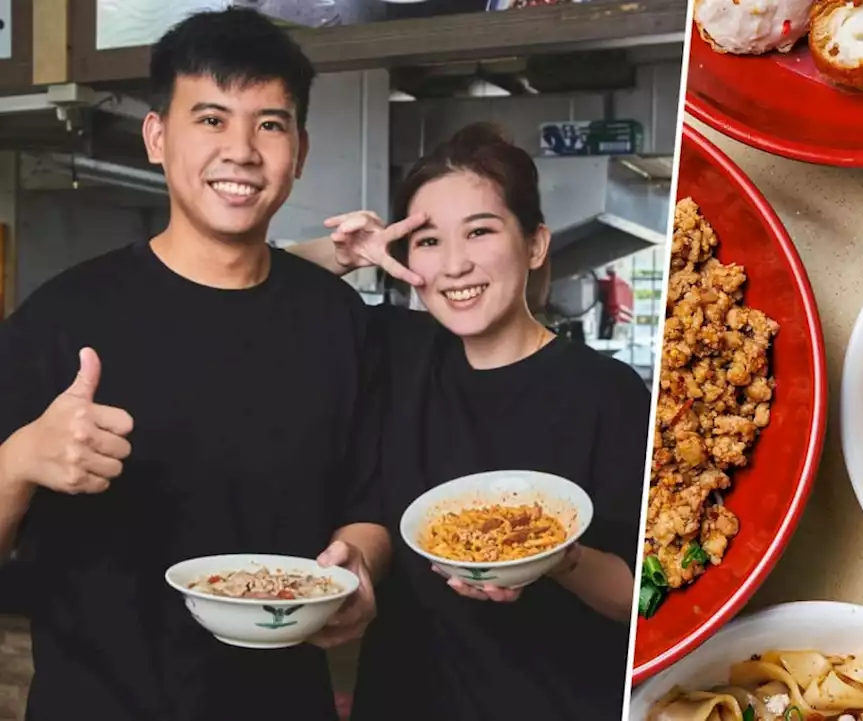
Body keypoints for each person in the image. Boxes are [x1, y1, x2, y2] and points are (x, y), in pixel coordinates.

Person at [0, 9, 388, 721]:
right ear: (156, 137)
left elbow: (367, 504)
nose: (240, 150)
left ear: (299, 150)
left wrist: (359, 568)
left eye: (269, 124)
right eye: (211, 119)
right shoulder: (58, 320)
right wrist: (21, 459)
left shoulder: (339, 322)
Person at [287, 124, 649, 720]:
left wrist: (558, 558)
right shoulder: (396, 351)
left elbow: (640, 598)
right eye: (427, 241)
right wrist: (343, 253)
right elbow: (254, 279)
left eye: (480, 231)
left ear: (534, 245)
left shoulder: (604, 393)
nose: (455, 265)